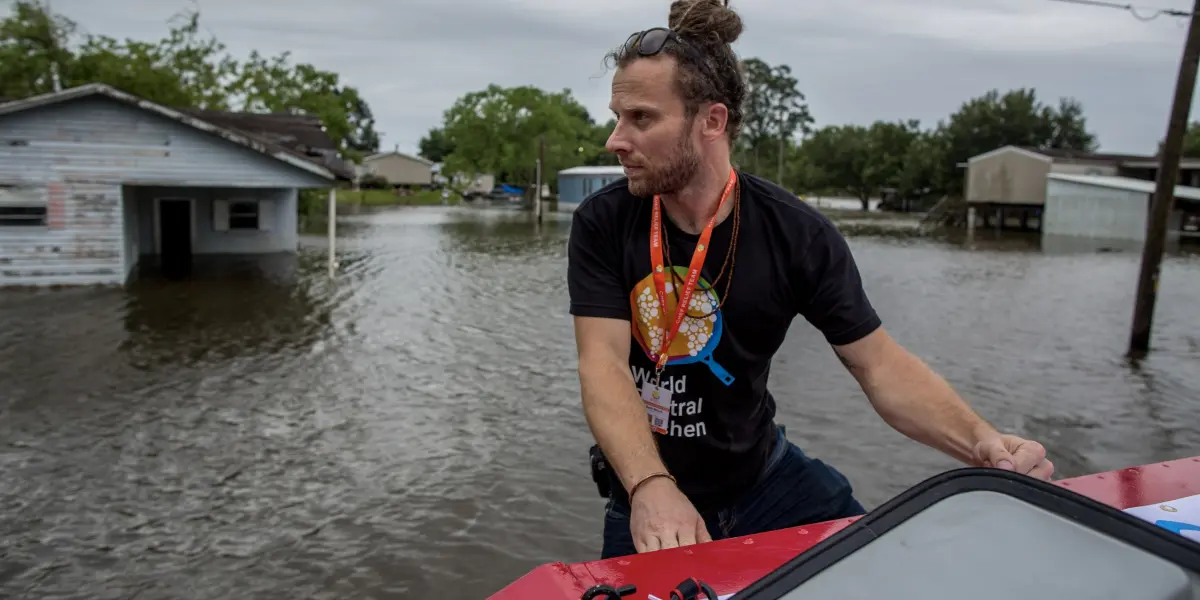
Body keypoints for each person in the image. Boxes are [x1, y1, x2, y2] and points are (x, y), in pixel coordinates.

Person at [566, 0, 1055, 560]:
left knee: (882, 564)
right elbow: (602, 365)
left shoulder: (796, 234)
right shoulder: (603, 222)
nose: (615, 139)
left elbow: (879, 365)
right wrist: (651, 487)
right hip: (647, 491)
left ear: (712, 121)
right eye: (616, 116)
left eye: (641, 119)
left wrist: (982, 441)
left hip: (763, 481)